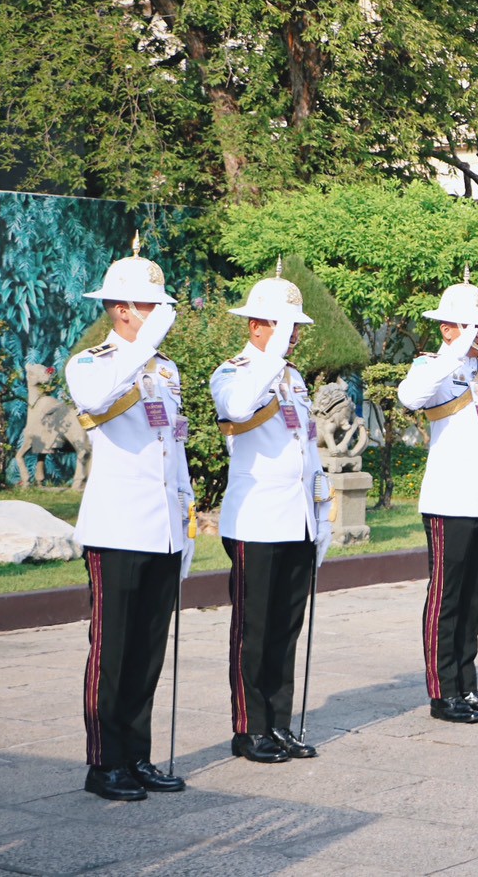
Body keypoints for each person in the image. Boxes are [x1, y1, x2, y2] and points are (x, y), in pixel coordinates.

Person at [66, 236, 195, 802]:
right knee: (113, 651)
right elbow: (95, 401)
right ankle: (104, 763)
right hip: (117, 528)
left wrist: (187, 517)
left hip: (162, 525)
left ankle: (136, 756)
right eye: (150, 307)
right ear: (122, 310)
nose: (159, 316)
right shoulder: (90, 363)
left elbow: (176, 446)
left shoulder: (164, 370)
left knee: (147, 650)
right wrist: (141, 348)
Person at [212, 272, 333, 763]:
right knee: (255, 631)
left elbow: (309, 451)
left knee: (286, 628)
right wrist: (271, 358)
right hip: (256, 522)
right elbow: (239, 408)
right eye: (285, 326)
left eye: (296, 328)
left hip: (296, 520)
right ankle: (249, 727)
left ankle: (278, 724)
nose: (295, 335)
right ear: (258, 325)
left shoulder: (294, 379)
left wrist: (321, 516)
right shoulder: (233, 372)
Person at [397, 276, 478, 723]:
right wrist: (452, 354)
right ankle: (443, 691)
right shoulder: (431, 366)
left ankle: (467, 684)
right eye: (470, 325)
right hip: (450, 500)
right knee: (446, 598)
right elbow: (412, 397)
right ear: (448, 328)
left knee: (474, 598)